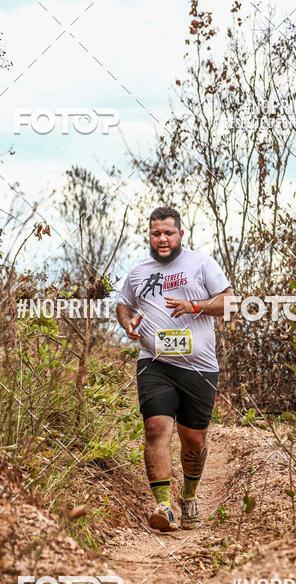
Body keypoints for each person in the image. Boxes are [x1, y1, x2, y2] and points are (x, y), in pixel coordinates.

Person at [116, 206, 233, 531]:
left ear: (181, 234)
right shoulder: (139, 271)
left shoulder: (202, 264)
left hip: (199, 368)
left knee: (193, 440)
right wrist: (128, 323)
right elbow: (123, 304)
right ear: (150, 236)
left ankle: (190, 496)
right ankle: (164, 505)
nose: (162, 238)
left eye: (168, 232)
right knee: (156, 429)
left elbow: (229, 302)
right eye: (156, 233)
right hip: (155, 364)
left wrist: (195, 305)